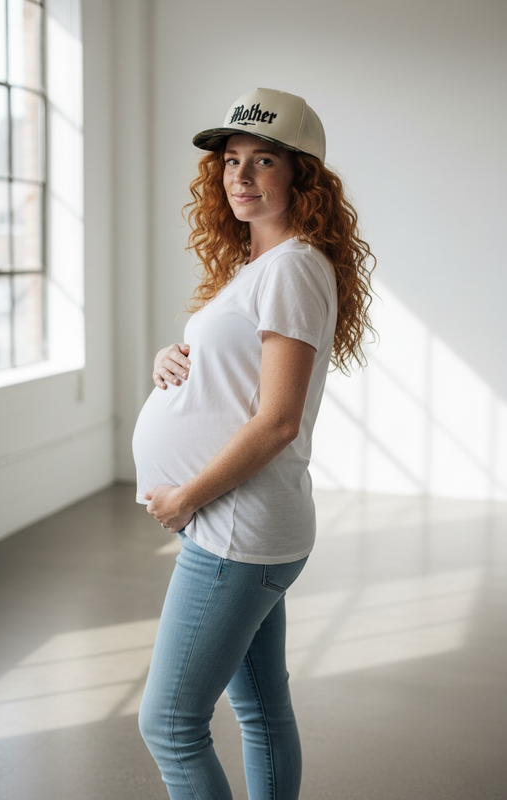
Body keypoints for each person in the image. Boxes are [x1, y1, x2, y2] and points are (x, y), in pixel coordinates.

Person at [132, 87, 376, 800]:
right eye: (231, 159)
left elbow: (277, 421)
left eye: (263, 160)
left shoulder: (293, 266)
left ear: (303, 175)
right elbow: (235, 374)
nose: (239, 175)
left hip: (232, 532)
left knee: (169, 724)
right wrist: (172, 360)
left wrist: (185, 498)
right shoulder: (263, 265)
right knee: (262, 710)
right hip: (247, 527)